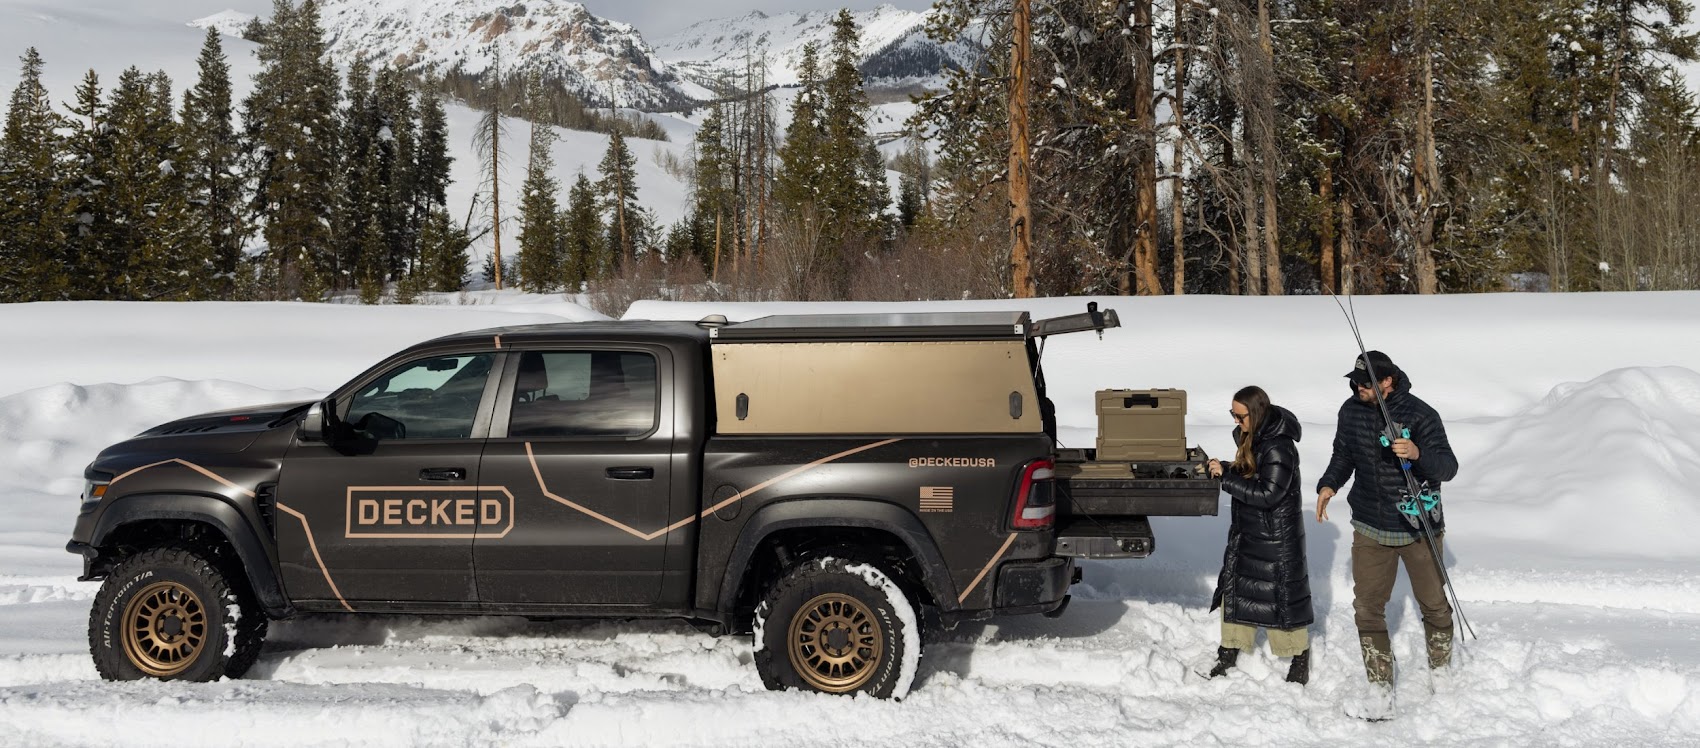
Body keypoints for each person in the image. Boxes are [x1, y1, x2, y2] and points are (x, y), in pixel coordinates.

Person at [1316, 350, 1458, 707]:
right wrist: (1329, 484)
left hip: (1417, 525)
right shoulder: (1350, 411)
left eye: (1364, 383)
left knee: (1435, 604)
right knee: (1366, 607)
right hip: (1369, 524)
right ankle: (1380, 685)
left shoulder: (1422, 414)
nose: (1357, 387)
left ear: (1387, 382)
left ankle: (1440, 670)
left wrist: (1416, 453)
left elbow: (1448, 468)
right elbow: (1343, 455)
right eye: (1354, 381)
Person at [1205, 385, 1314, 685]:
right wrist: (1225, 468)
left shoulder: (1279, 446)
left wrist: (1227, 480)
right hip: (1251, 531)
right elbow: (1251, 471)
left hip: (1276, 537)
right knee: (1236, 587)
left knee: (1280, 597)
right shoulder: (1254, 437)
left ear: (1255, 413)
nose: (1236, 422)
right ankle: (1230, 649)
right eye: (1233, 416)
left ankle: (1299, 655)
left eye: (1240, 416)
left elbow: (1269, 493)